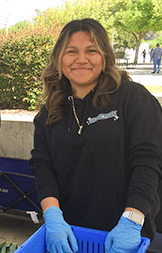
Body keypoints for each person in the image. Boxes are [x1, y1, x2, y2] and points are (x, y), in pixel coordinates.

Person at [29, 18, 162, 253]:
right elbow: (42, 165)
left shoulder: (133, 98)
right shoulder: (49, 112)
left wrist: (132, 219)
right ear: (59, 59)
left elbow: (148, 160)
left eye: (91, 51)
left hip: (126, 231)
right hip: (72, 235)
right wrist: (52, 216)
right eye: (71, 52)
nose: (81, 59)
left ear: (105, 56)